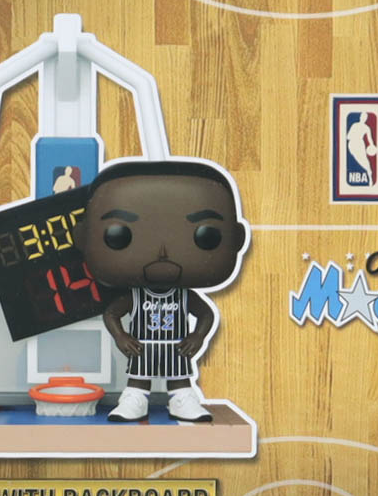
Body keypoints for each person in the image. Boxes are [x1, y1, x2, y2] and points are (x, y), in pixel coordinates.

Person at [74, 159, 249, 422]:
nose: (163, 253)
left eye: (206, 235)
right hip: (142, 346)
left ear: (237, 238)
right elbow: (111, 314)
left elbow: (207, 314)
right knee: (138, 378)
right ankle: (135, 399)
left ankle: (182, 399)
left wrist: (198, 337)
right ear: (84, 237)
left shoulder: (184, 296)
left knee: (179, 378)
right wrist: (121, 337)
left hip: (176, 346)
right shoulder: (134, 295)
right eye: (119, 235)